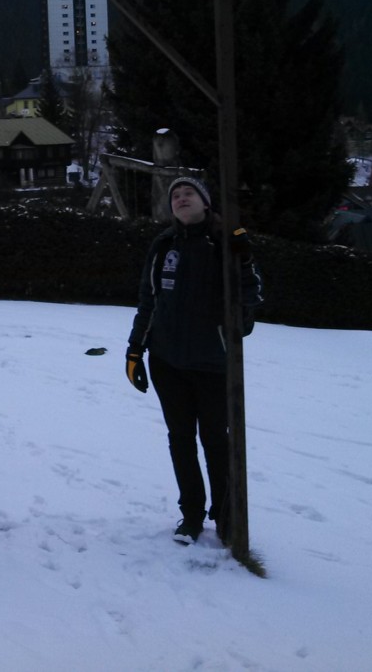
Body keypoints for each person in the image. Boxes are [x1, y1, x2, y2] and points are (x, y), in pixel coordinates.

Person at [125, 176, 263, 546]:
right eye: (175, 195)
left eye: (189, 193)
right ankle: (191, 516)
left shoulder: (224, 242)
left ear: (205, 202)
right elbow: (148, 300)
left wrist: (244, 259)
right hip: (167, 362)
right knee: (180, 440)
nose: (181, 198)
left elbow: (250, 301)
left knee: (216, 440)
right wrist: (135, 349)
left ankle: (226, 516)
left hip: (212, 363)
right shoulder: (163, 245)